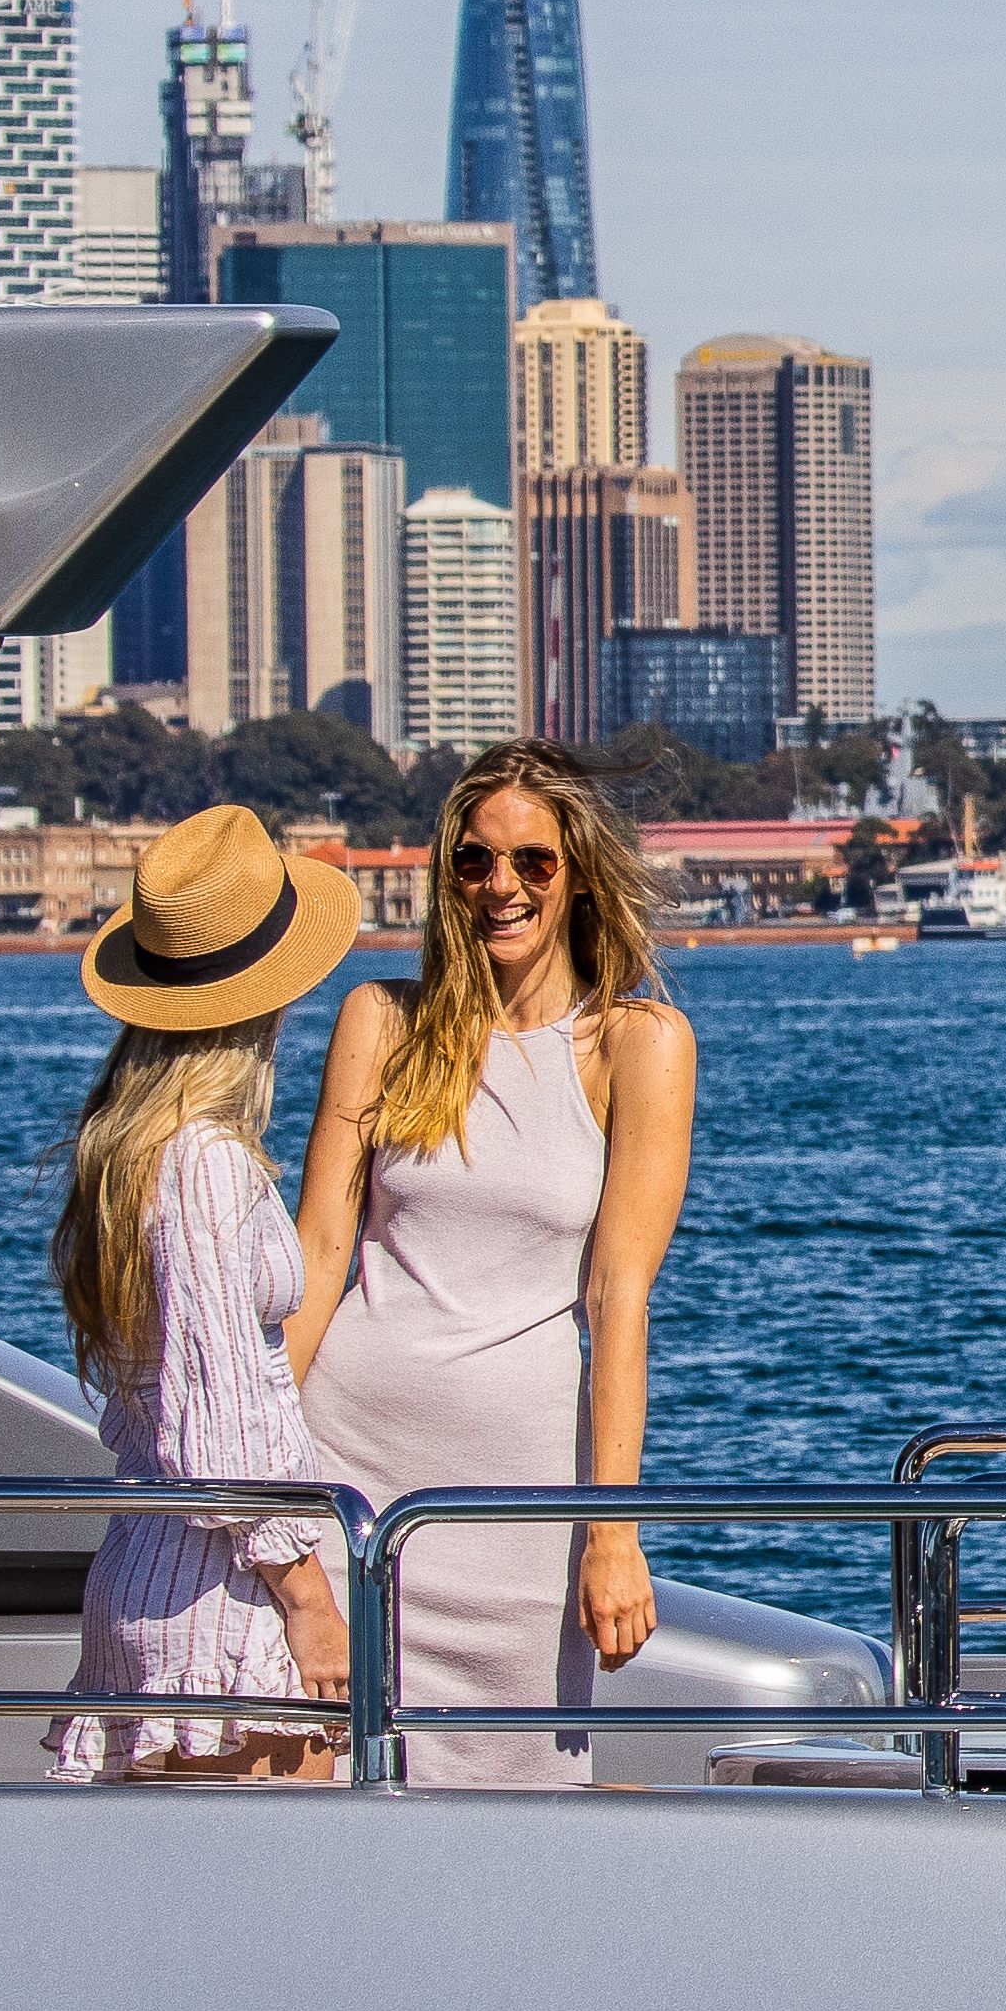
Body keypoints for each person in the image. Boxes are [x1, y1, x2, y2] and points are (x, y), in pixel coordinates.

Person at [297, 745, 700, 1790]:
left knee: (518, 1811)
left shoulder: (640, 1044)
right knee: (315, 1801)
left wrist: (614, 1536)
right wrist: (253, 1477)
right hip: (347, 1474)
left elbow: (619, 1301)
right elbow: (319, 1256)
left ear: (579, 874)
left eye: (532, 860)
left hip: (520, 1502)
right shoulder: (382, 1020)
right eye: (473, 861)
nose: (500, 885)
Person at [38, 805, 370, 1781]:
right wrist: (309, 1601)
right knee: (273, 1871)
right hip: (220, 1594)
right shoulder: (206, 1166)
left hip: (159, 1567)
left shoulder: (134, 1153)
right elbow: (219, 1425)